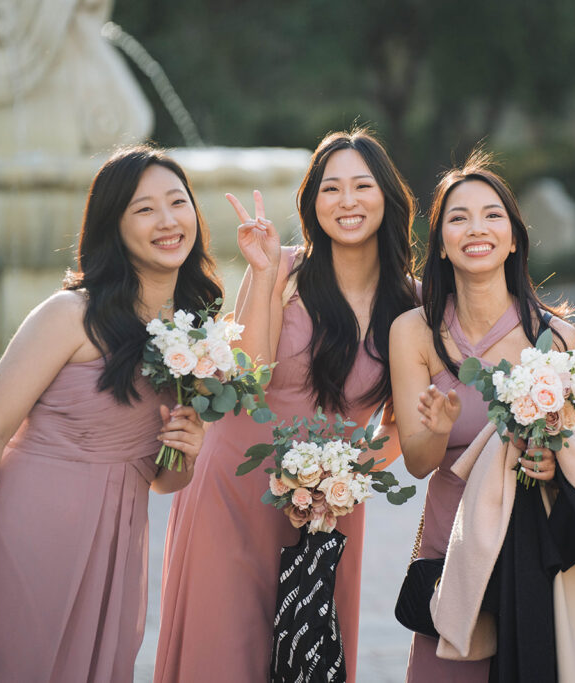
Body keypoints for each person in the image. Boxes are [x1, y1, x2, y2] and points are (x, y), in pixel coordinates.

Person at [154, 128, 419, 682]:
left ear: (387, 198)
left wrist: (344, 476)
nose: (347, 201)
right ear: (311, 202)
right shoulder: (285, 268)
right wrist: (263, 270)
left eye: (361, 186)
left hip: (327, 509)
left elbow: (400, 426)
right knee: (226, 649)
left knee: (310, 660)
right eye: (330, 188)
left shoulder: (411, 303)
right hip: (235, 486)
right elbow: (248, 376)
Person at [0, 145, 216, 682]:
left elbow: (162, 480)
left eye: (177, 202)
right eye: (144, 209)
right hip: (30, 532)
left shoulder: (194, 334)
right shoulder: (69, 315)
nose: (168, 221)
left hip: (117, 546)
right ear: (113, 225)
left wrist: (186, 452)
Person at [390, 152, 575, 681]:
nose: (477, 228)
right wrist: (438, 427)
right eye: (458, 217)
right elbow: (418, 464)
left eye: (492, 215)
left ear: (514, 238)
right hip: (452, 546)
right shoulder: (413, 332)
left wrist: (552, 463)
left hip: (533, 549)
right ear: (442, 243)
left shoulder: (558, 337)